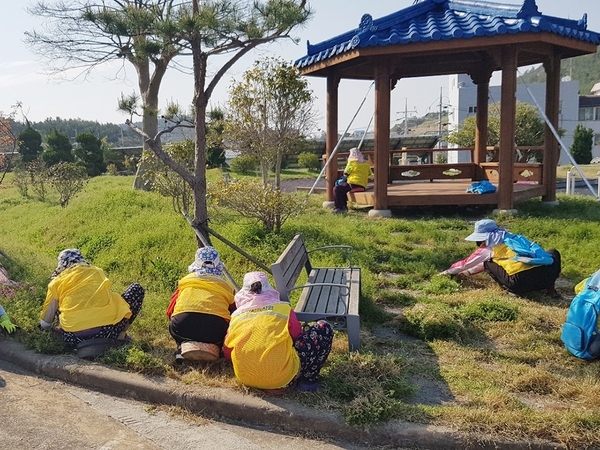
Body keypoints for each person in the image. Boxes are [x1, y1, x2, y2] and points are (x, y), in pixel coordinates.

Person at [223, 271, 333, 393]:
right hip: (283, 378)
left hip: (246, 378)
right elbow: (297, 336)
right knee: (324, 328)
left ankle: (262, 378)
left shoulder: (236, 318)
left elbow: (227, 352)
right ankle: (308, 382)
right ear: (268, 288)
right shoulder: (283, 309)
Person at [39, 249, 145, 347]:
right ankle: (121, 336)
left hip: (72, 337)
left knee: (60, 301)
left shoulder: (56, 282)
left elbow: (45, 324)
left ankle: (70, 335)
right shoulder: (97, 272)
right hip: (107, 332)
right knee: (136, 288)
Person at [440, 219, 561, 297]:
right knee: (553, 252)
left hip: (520, 284)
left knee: (488, 262)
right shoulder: (514, 237)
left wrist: (447, 272)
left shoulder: (489, 248)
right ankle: (551, 290)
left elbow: (465, 264)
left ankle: (511, 290)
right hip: (546, 277)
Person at [166, 246, 236, 363]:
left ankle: (181, 346)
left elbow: (170, 310)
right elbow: (234, 311)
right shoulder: (227, 286)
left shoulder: (185, 282)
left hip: (181, 327)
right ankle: (217, 348)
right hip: (215, 331)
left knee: (179, 328)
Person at [332, 147, 372, 213]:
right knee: (343, 188)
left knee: (337, 189)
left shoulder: (352, 162)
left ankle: (340, 207)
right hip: (362, 186)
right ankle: (343, 206)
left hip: (353, 184)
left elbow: (346, 173)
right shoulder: (366, 164)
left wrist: (343, 178)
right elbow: (370, 174)